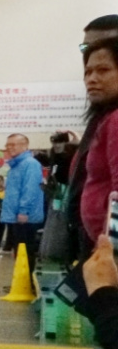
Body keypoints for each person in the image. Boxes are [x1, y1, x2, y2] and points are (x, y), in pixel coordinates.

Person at [69, 39, 118, 263]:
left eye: (103, 70)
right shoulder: (104, 119)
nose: (92, 79)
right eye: (88, 72)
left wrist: (111, 250)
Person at [1, 133, 45, 265]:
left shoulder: (30, 164)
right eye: (7, 145)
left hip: (25, 218)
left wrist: (23, 211)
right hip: (16, 216)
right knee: (19, 252)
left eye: (12, 144)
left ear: (25, 146)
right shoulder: (16, 166)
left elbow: (30, 189)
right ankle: (21, 277)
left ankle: (27, 278)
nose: (9, 147)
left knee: (25, 252)